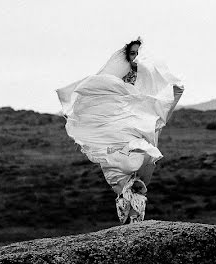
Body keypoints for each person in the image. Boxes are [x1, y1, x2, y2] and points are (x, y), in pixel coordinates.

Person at [56, 37, 184, 223]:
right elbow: (102, 93)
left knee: (140, 171)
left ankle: (133, 217)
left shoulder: (150, 77)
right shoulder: (117, 78)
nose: (135, 57)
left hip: (141, 125)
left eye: (139, 53)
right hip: (117, 129)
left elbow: (169, 94)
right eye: (132, 53)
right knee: (126, 168)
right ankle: (128, 215)